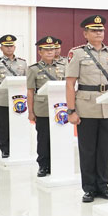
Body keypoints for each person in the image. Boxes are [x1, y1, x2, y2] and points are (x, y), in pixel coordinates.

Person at [66, 15, 108, 202]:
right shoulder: (77, 53)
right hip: (86, 105)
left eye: (101, 30)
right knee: (88, 150)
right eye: (94, 30)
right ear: (85, 33)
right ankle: (89, 188)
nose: (98, 33)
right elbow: (70, 84)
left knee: (104, 150)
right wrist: (71, 110)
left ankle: (103, 185)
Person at [26, 36, 64, 176]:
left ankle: (57, 163)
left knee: (59, 137)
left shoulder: (63, 67)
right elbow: (30, 92)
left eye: (52, 49)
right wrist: (30, 111)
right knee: (43, 138)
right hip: (42, 109)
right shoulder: (33, 69)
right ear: (40, 52)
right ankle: (43, 165)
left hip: (60, 109)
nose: (50, 52)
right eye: (46, 50)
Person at [0, 34, 28, 159]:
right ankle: (5, 149)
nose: (9, 48)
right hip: (2, 97)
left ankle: (19, 146)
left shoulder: (22, 62)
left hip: (19, 98)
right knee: (3, 125)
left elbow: (28, 81)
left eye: (11, 46)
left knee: (19, 123)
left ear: (14, 47)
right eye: (6, 46)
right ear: (1, 48)